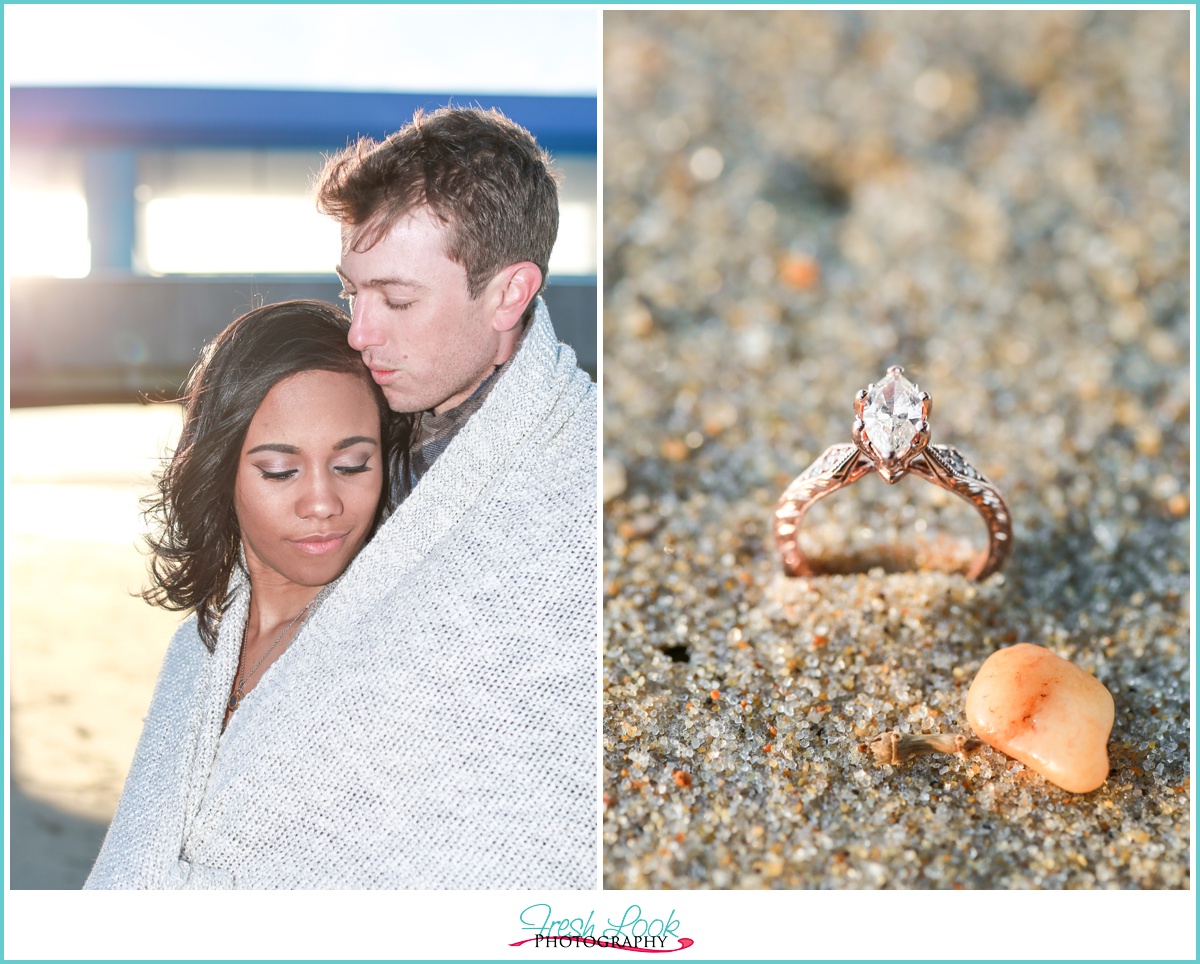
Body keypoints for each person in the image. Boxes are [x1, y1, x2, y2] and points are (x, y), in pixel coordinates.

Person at [90, 107, 597, 889]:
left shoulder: (573, 487)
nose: (360, 332)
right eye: (351, 292)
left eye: (396, 300)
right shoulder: (365, 416)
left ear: (509, 294)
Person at [86, 300, 397, 888]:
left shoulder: (391, 649)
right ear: (220, 470)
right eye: (281, 471)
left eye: (353, 464)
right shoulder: (194, 652)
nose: (322, 502)